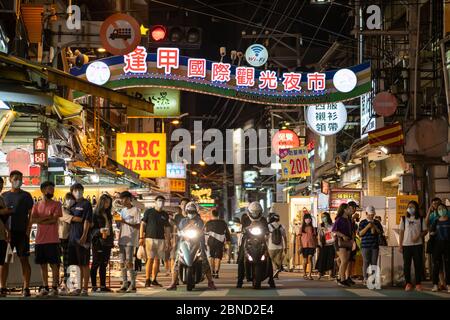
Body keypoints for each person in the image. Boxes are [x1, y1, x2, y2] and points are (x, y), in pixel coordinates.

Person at [166, 202, 216, 290]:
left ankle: (210, 282)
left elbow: (201, 230)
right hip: (184, 243)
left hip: (198, 243)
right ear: (186, 211)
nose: (191, 213)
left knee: (204, 260)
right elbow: (180, 230)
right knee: (177, 260)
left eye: (192, 212)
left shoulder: (200, 221)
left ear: (196, 212)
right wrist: (187, 227)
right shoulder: (183, 221)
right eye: (189, 211)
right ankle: (173, 283)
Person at [2, 170, 34, 297]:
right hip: (7, 234)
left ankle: (26, 288)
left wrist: (28, 229)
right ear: (10, 179)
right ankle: (2, 287)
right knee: (4, 261)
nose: (18, 181)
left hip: (22, 233)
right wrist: (5, 231)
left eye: (20, 179)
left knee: (24, 260)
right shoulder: (4, 196)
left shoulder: (26, 196)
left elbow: (31, 214)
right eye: (15, 178)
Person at [30, 181, 63, 297]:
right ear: (43, 190)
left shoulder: (57, 204)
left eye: (53, 189)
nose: (52, 191)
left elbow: (54, 220)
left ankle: (54, 287)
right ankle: (45, 287)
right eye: (49, 189)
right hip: (39, 240)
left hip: (53, 240)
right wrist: (47, 218)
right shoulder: (36, 205)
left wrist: (41, 219)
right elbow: (33, 220)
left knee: (54, 265)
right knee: (42, 265)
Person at [236, 202, 275, 288]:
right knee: (241, 258)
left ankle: (271, 280)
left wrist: (267, 232)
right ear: (249, 212)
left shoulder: (263, 220)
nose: (255, 214)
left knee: (268, 258)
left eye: (257, 212)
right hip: (248, 241)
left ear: (260, 212)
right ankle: (239, 281)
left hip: (260, 241)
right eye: (253, 212)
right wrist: (243, 230)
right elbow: (242, 229)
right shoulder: (245, 219)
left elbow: (267, 229)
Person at [68, 183, 93, 296]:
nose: (77, 192)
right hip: (72, 239)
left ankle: (85, 288)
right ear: (72, 192)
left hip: (83, 239)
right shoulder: (71, 204)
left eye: (79, 190)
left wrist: (84, 236)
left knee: (84, 264)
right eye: (75, 190)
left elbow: (87, 221)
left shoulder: (86, 204)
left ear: (83, 191)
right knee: (75, 265)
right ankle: (77, 287)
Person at [140, 195, 171, 287]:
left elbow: (167, 228)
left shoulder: (165, 214)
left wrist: (168, 240)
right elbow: (143, 224)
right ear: (155, 202)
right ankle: (147, 279)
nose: (161, 203)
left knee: (157, 260)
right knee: (150, 259)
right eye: (159, 200)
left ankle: (154, 279)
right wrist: (141, 237)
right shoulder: (149, 212)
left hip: (161, 239)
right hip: (150, 238)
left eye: (162, 201)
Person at [399, 200, 427, 292]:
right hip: (406, 245)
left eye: (412, 207)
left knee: (418, 265)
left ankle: (418, 284)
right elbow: (401, 232)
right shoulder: (403, 218)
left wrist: (419, 236)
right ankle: (408, 283)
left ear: (416, 208)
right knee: (407, 265)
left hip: (417, 245)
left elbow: (425, 231)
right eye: (409, 207)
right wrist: (400, 245)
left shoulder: (421, 219)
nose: (410, 208)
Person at [117, 191, 140, 293]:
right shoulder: (122, 211)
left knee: (129, 262)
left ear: (130, 199)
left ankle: (133, 284)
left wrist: (125, 222)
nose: (123, 201)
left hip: (131, 239)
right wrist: (118, 223)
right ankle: (124, 283)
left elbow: (138, 226)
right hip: (122, 238)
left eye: (125, 199)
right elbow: (120, 225)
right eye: (122, 199)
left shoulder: (136, 210)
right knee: (122, 262)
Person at [91, 194, 114, 292]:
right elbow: (91, 230)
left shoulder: (108, 214)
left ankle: (103, 286)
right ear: (101, 202)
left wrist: (111, 238)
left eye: (109, 203)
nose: (107, 204)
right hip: (98, 242)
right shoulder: (95, 214)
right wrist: (99, 231)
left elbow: (110, 228)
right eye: (106, 202)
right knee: (96, 263)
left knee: (104, 264)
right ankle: (94, 286)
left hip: (107, 241)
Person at [358, 206, 383, 287]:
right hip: (365, 246)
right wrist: (368, 226)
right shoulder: (362, 222)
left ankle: (373, 279)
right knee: (366, 261)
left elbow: (380, 232)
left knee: (374, 263)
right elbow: (360, 234)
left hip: (374, 246)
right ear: (366, 214)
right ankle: (365, 278)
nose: (371, 216)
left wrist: (374, 226)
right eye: (370, 215)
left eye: (372, 214)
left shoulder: (377, 222)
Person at [58, 192, 77, 295]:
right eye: (68, 199)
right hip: (61, 238)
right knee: (61, 263)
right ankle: (62, 285)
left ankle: (68, 284)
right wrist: (81, 219)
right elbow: (69, 219)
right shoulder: (62, 209)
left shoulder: (73, 210)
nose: (70, 201)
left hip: (71, 239)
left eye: (71, 199)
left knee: (68, 263)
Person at [332, 203, 354, 287]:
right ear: (344, 210)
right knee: (344, 260)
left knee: (345, 260)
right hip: (340, 242)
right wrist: (343, 235)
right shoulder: (339, 219)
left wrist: (352, 240)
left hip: (348, 242)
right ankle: (342, 279)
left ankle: (341, 277)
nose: (350, 210)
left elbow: (351, 231)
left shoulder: (348, 220)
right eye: (348, 208)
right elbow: (334, 230)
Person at [204, 209, 231, 279]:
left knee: (211, 256)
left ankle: (212, 271)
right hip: (220, 241)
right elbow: (227, 232)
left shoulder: (208, 223)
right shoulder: (223, 222)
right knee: (218, 257)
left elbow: (205, 232)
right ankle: (216, 272)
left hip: (211, 241)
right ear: (218, 215)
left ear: (212, 215)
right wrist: (228, 240)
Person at [429, 204, 450, 292]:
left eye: (443, 209)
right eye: (439, 209)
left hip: (448, 245)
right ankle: (435, 284)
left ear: (446, 209)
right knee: (436, 265)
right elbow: (431, 232)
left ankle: (449, 285)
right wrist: (432, 233)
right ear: (437, 211)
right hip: (437, 245)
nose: (441, 210)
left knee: (448, 266)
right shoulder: (436, 221)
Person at [426, 197, 445, 290]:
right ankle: (441, 283)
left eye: (437, 203)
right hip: (435, 241)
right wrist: (429, 210)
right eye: (433, 203)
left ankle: (444, 283)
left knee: (446, 263)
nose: (435, 205)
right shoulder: (432, 214)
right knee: (437, 262)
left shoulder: (445, 213)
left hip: (445, 241)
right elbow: (426, 223)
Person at [0, 177, 13, 297]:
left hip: (2, 235)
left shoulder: (2, 198)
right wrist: (4, 211)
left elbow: (5, 217)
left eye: (0, 184)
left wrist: (8, 231)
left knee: (3, 262)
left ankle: (2, 287)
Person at [317, 212, 336, 279]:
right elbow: (319, 235)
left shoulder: (332, 225)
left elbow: (334, 234)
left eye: (324, 216)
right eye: (322, 217)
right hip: (323, 244)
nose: (323, 218)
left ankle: (330, 275)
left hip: (331, 244)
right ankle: (319, 273)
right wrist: (319, 244)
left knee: (330, 259)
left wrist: (327, 231)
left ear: (328, 217)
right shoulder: (320, 225)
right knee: (322, 259)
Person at [267, 214, 287, 279]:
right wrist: (285, 247)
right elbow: (284, 237)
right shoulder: (281, 227)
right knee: (278, 260)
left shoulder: (269, 226)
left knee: (270, 259)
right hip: (280, 246)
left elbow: (266, 237)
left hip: (271, 246)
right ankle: (277, 274)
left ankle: (276, 269)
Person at [300, 213, 317, 280]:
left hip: (312, 246)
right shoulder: (302, 228)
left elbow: (315, 238)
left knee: (310, 259)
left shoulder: (313, 228)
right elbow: (299, 237)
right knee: (305, 260)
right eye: (306, 218)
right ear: (304, 219)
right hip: (304, 246)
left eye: (309, 218)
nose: (308, 220)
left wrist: (316, 246)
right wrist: (300, 246)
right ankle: (304, 273)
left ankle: (310, 274)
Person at [347, 201, 360, 284]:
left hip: (353, 240)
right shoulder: (347, 217)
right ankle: (345, 277)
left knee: (351, 260)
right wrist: (353, 218)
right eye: (353, 208)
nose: (355, 210)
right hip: (347, 241)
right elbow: (347, 226)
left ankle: (348, 276)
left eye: (355, 208)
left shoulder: (351, 217)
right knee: (347, 260)